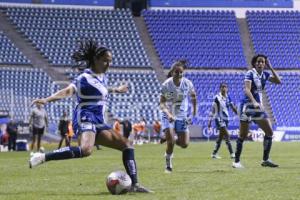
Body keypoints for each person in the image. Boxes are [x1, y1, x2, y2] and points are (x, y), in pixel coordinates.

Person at [29, 39, 152, 193]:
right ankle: (42, 157)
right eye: (106, 61)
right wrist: (47, 100)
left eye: (110, 61)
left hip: (99, 120)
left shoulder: (102, 77)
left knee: (127, 145)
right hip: (85, 116)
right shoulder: (83, 78)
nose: (109, 64)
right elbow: (68, 91)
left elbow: (102, 89)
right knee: (86, 150)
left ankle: (134, 185)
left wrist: (117, 90)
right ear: (96, 60)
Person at [232, 54, 281, 168]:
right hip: (248, 106)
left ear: (265, 64)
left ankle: (265, 160)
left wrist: (271, 67)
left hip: (258, 107)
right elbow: (247, 90)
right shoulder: (250, 73)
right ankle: (236, 161)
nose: (260, 63)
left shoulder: (265, 74)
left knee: (269, 132)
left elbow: (278, 81)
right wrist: (254, 101)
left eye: (262, 62)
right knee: (243, 135)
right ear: (254, 63)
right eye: (258, 62)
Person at [160, 60, 197, 173]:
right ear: (172, 72)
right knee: (171, 143)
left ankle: (167, 137)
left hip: (182, 115)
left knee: (184, 144)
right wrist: (169, 114)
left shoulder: (188, 83)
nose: (179, 74)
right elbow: (162, 103)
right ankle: (168, 165)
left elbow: (194, 97)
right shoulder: (166, 85)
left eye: (181, 72)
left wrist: (194, 113)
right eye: (177, 72)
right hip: (168, 114)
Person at [208, 83, 238, 159]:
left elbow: (233, 107)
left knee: (221, 137)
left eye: (225, 87)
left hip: (226, 119)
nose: (224, 88)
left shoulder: (228, 97)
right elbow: (213, 109)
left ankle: (214, 153)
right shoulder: (217, 97)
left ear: (227, 88)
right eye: (222, 87)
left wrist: (238, 113)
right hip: (219, 118)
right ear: (220, 88)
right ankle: (232, 153)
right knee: (227, 135)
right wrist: (209, 121)